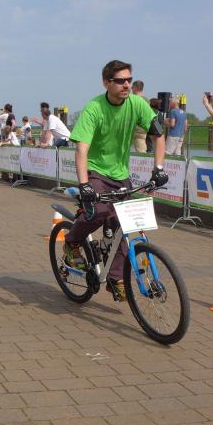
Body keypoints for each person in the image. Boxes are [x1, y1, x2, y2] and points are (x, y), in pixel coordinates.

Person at [63, 60, 168, 302]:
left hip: (121, 174)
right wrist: (84, 185)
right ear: (106, 83)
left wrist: (159, 168)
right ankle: (72, 241)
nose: (127, 85)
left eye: (129, 79)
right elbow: (82, 148)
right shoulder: (94, 108)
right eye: (120, 81)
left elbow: (158, 135)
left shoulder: (137, 104)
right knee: (98, 212)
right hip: (96, 170)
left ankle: (115, 278)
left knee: (123, 225)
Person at [131, 80, 148, 152]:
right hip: (143, 129)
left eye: (132, 87)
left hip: (133, 128)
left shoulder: (132, 99)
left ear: (135, 88)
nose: (131, 89)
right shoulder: (147, 100)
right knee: (141, 151)